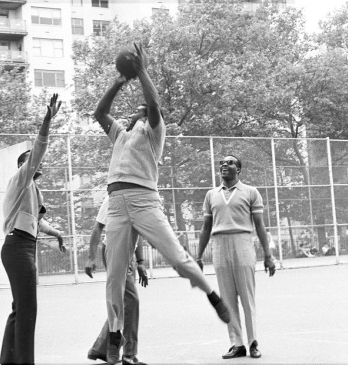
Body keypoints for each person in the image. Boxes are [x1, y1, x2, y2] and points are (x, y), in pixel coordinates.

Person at [93, 43, 230, 365]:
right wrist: (119, 80)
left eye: (141, 110)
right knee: (114, 276)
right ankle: (114, 335)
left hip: (143, 200)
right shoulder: (119, 135)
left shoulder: (154, 132)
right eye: (137, 109)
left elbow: (153, 103)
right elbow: (99, 113)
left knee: (179, 260)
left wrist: (140, 71)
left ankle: (211, 295)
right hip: (116, 203)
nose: (137, 110)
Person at [0, 94, 66, 365]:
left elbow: (37, 223)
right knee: (28, 309)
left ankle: (8, 360)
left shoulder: (32, 190)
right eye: (31, 161)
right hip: (17, 247)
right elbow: (38, 149)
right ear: (23, 165)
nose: (38, 164)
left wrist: (58, 234)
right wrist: (47, 120)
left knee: (20, 309)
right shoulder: (19, 181)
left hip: (24, 246)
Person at [196, 155, 276, 360]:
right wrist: (197, 257)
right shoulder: (211, 194)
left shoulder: (250, 192)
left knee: (247, 298)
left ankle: (253, 342)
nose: (224, 164)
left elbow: (259, 225)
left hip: (243, 244)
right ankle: (237, 344)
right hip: (219, 246)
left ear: (238, 170)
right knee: (228, 298)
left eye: (230, 162)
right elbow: (206, 227)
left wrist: (268, 255)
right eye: (222, 162)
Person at [85, 196, 148, 365]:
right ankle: (128, 354)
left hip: (129, 253)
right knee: (131, 301)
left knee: (124, 303)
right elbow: (98, 227)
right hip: (114, 250)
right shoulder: (113, 198)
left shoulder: (141, 198)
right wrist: (91, 258)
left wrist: (140, 262)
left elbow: (138, 231)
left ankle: (101, 348)